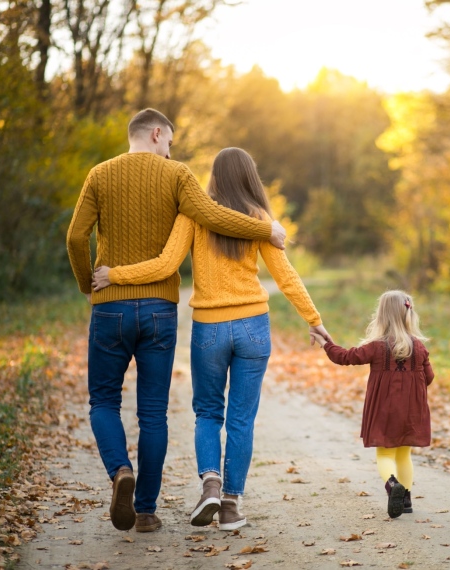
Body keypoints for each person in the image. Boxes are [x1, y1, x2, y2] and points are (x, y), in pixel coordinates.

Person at [66, 110, 289, 534]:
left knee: (103, 401)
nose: (170, 150)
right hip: (159, 310)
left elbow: (76, 238)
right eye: (168, 141)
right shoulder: (176, 175)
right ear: (155, 134)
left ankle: (119, 471)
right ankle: (146, 510)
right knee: (153, 413)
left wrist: (87, 286)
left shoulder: (99, 174)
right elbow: (215, 216)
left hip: (110, 306)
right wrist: (266, 229)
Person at [91, 147, 332, 530]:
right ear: (250, 178)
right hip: (254, 326)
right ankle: (232, 506)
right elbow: (286, 275)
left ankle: (211, 485)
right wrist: (313, 320)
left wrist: (114, 274)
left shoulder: (194, 215)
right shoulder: (260, 220)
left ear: (214, 178)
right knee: (241, 419)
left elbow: (166, 265)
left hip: (209, 328)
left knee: (207, 412)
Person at [310, 290, 434, 518]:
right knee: (404, 455)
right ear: (409, 314)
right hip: (411, 411)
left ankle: (391, 485)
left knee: (385, 455)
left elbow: (345, 357)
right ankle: (406, 499)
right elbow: (429, 378)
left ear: (382, 316)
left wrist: (325, 342)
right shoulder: (419, 348)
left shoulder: (376, 347)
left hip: (385, 409)